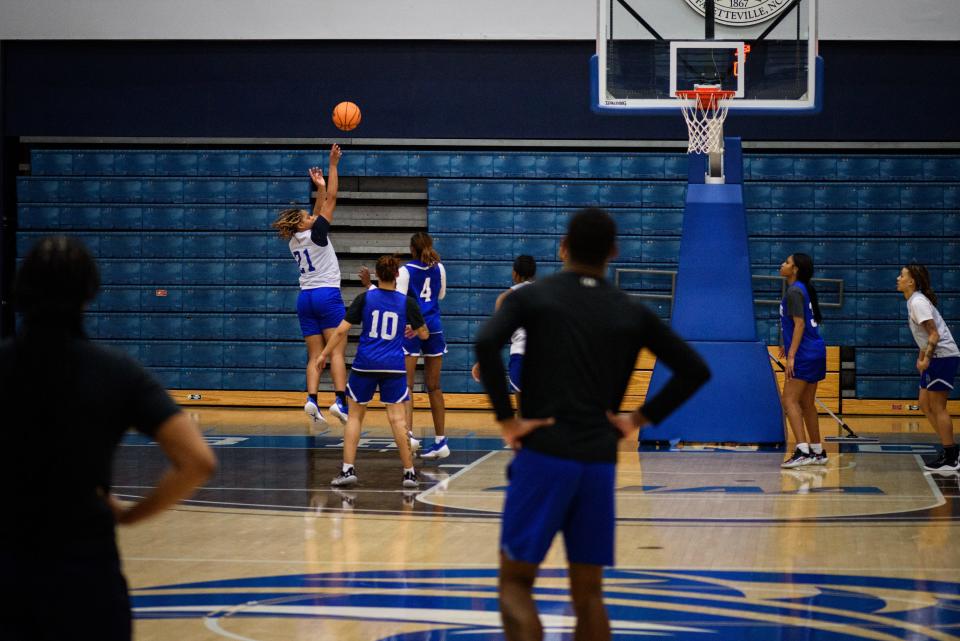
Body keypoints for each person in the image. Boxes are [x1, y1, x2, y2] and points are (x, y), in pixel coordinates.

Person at [475, 208, 710, 641]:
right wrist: (637, 419)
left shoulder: (533, 297)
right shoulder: (631, 310)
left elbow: (487, 343)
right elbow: (695, 369)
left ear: (563, 247)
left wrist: (507, 421)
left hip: (544, 453)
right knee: (590, 597)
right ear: (614, 252)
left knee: (515, 584)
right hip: (598, 462)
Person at [0, 236, 216, 641]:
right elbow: (198, 460)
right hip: (84, 569)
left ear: (20, 289)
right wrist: (132, 514)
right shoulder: (116, 371)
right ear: (90, 292)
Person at [318, 255, 430, 488]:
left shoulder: (365, 298)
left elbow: (340, 331)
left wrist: (323, 354)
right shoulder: (406, 302)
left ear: (377, 275)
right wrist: (411, 329)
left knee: (355, 418)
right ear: (397, 275)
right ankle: (409, 472)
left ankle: (348, 470)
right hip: (393, 365)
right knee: (398, 419)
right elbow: (425, 335)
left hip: (365, 364)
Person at [271, 144, 350, 426]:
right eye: (307, 216)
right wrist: (332, 167)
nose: (311, 215)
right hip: (327, 295)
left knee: (315, 354)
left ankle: (312, 399)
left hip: (305, 298)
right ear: (303, 224)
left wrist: (318, 188)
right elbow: (331, 202)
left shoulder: (296, 239)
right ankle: (341, 401)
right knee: (337, 351)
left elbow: (317, 210)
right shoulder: (316, 234)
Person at [897, 263, 960, 471]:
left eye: (902, 275)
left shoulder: (918, 302)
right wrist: (921, 355)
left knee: (937, 406)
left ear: (911, 281)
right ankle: (949, 446)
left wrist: (927, 358)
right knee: (924, 403)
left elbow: (934, 334)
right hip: (934, 356)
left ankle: (951, 456)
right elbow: (924, 335)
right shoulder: (913, 301)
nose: (898, 278)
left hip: (942, 356)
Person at [398, 231, 449, 459]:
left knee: (407, 386)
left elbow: (398, 302)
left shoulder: (405, 271)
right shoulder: (440, 268)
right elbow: (441, 295)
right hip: (435, 327)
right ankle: (441, 441)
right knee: (434, 387)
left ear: (412, 250)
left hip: (412, 327)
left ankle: (409, 436)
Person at [778, 253, 828, 469]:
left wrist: (791, 356)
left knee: (789, 401)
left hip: (804, 355)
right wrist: (784, 343)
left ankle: (802, 450)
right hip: (815, 351)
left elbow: (799, 325)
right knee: (807, 403)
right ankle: (817, 450)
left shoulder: (795, 290)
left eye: (787, 262)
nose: (783, 264)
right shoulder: (803, 289)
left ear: (795, 269)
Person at [471, 255, 537, 398]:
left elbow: (494, 336)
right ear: (534, 273)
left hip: (520, 353)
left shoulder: (505, 297)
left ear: (514, 273)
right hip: (543, 356)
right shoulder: (546, 293)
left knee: (523, 412)